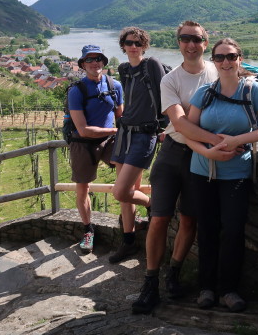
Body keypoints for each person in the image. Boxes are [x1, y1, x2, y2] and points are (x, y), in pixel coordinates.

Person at [131, 21, 239, 314]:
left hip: (201, 157)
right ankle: (150, 283)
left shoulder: (219, 68)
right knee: (159, 218)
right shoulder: (170, 80)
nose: (190, 44)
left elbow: (252, 85)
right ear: (178, 42)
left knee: (190, 219)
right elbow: (179, 124)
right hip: (175, 154)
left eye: (196, 39)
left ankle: (174, 274)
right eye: (184, 39)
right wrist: (216, 141)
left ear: (206, 42)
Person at [186, 38, 258, 312]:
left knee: (234, 231)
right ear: (213, 61)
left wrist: (235, 139)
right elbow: (187, 132)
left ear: (239, 59)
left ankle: (228, 289)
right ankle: (206, 287)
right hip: (202, 171)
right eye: (219, 57)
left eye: (231, 56)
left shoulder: (253, 91)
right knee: (207, 230)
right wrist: (207, 153)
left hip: (236, 173)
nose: (225, 62)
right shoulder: (204, 93)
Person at [109, 27, 164, 263]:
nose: (134, 46)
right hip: (124, 133)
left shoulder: (151, 65)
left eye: (138, 43)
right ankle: (128, 241)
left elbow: (166, 95)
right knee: (126, 195)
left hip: (145, 134)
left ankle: (152, 205)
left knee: (121, 191)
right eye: (130, 43)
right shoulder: (123, 69)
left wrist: (165, 127)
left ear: (144, 46)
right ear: (123, 45)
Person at [68, 45, 123, 253]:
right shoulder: (77, 90)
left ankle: (128, 216)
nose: (94, 62)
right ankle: (88, 229)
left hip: (109, 139)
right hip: (83, 144)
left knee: (127, 169)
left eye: (98, 58)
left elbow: (120, 116)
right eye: (89, 60)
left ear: (103, 62)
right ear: (83, 65)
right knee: (83, 189)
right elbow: (83, 130)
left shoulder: (115, 85)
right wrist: (115, 130)